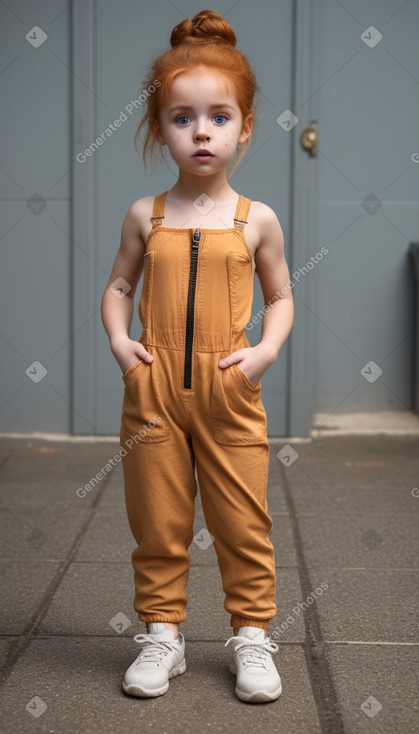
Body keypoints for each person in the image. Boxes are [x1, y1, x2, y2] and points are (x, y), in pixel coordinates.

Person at [101, 9, 294, 704]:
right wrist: (123, 346)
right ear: (158, 129)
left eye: (218, 116)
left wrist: (264, 352)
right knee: (157, 519)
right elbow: (119, 286)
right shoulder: (144, 215)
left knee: (243, 520)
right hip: (151, 390)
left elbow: (279, 296)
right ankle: (162, 635)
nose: (201, 131)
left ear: (244, 126)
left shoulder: (256, 219)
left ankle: (251, 636)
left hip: (228, 387)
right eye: (182, 118)